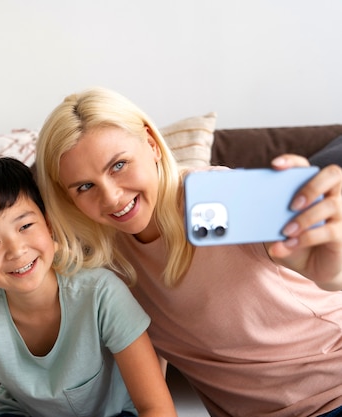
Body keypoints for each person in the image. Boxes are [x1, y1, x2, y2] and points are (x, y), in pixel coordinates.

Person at [35, 86, 342, 417]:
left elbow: (324, 271)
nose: (110, 197)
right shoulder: (104, 261)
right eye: (85, 186)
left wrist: (331, 271)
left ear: (151, 144)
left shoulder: (216, 197)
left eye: (119, 165)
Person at [0, 156, 177, 417]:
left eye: (25, 226)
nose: (17, 250)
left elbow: (157, 408)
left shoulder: (101, 293)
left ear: (48, 224)